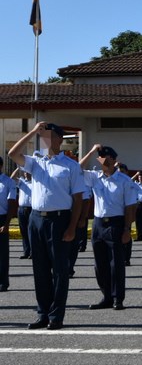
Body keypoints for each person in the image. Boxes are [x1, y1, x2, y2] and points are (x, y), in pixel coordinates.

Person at [8, 122, 85, 330]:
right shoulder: (36, 162)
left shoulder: (71, 166)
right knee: (40, 269)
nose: (44, 140)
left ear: (59, 139)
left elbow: (78, 199)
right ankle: (43, 313)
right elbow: (13, 154)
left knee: (59, 270)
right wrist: (33, 131)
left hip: (59, 220)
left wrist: (72, 227)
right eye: (42, 137)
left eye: (48, 135)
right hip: (36, 220)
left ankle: (56, 316)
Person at [78, 145, 138, 310]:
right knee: (100, 264)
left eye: (107, 158)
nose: (103, 161)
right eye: (101, 158)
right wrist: (91, 151)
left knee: (116, 264)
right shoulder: (95, 177)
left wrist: (127, 229)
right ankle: (106, 297)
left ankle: (118, 298)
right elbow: (77, 169)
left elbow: (130, 207)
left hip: (116, 223)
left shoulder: (124, 181)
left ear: (114, 160)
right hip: (98, 224)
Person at [0, 170, 17, 292]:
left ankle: (3, 282)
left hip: (2, 219)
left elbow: (12, 203)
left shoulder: (8, 182)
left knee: (2, 253)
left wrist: (6, 224)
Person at [11, 168, 33, 260]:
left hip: (31, 209)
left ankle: (32, 252)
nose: (26, 174)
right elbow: (12, 178)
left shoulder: (35, 183)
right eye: (24, 172)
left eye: (27, 172)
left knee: (31, 231)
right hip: (21, 209)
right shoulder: (22, 182)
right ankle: (26, 252)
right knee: (23, 231)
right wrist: (18, 168)